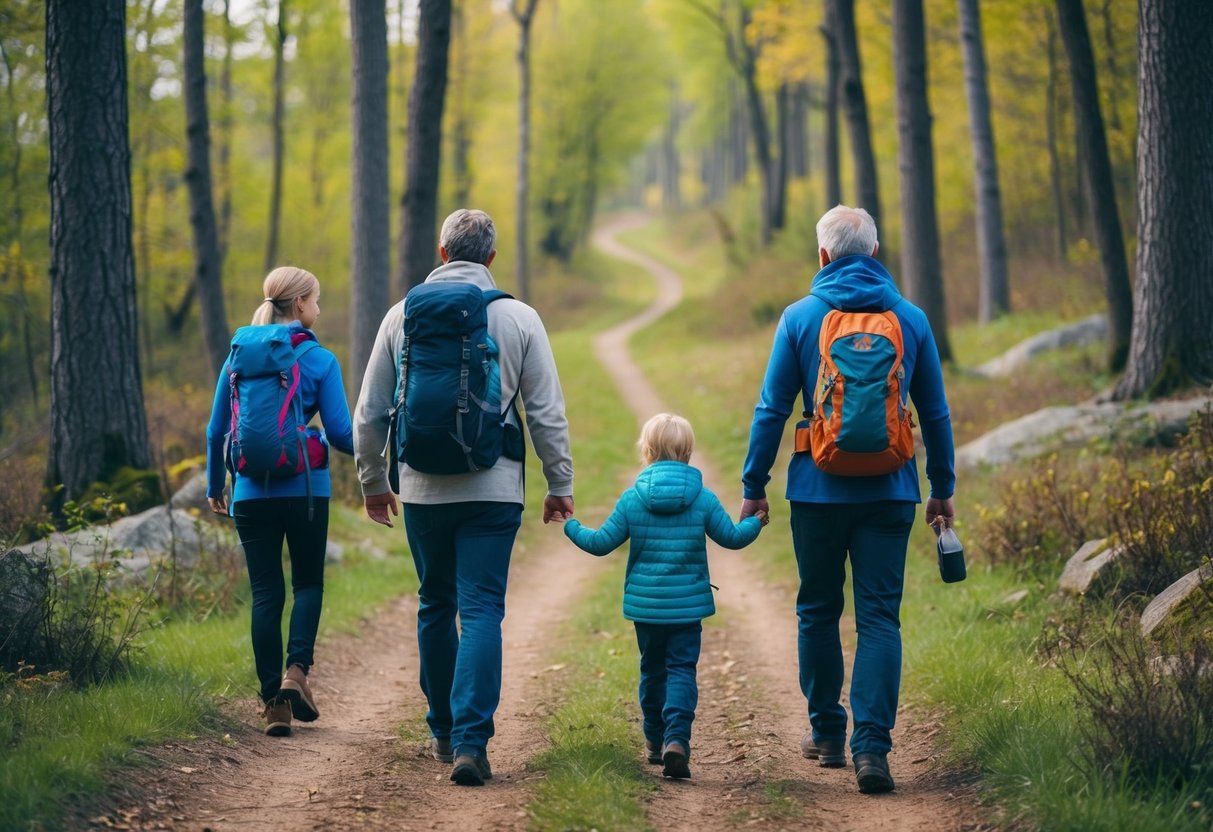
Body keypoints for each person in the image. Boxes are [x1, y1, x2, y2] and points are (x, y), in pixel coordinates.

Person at [353, 208, 574, 787]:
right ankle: (473, 742)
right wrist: (560, 484)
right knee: (480, 609)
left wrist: (373, 484)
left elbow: (370, 412)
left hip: (421, 487)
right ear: (492, 259)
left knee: (435, 603)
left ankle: (443, 731)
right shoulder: (519, 316)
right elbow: (545, 412)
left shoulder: (401, 315)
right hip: (494, 487)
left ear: (443, 252)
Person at [740, 206, 955, 795]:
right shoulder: (909, 318)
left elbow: (772, 408)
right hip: (891, 491)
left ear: (823, 257)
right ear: (877, 253)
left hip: (816, 490)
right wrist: (942, 488)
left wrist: (753, 484)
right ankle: (873, 750)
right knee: (880, 617)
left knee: (817, 610)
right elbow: (934, 413)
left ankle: (829, 733)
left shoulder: (800, 318)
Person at [562, 413, 767, 780]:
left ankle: (655, 741)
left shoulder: (632, 500)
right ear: (688, 451)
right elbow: (733, 538)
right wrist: (757, 521)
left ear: (647, 450)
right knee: (682, 670)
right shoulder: (702, 499)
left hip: (647, 610)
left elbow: (600, 543)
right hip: (687, 610)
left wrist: (570, 525)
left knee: (652, 670)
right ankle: (677, 739)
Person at [206, 266, 354, 737]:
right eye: (316, 301)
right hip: (306, 491)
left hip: (249, 493)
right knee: (307, 584)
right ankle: (297, 673)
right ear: (299, 305)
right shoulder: (319, 359)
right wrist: (386, 441)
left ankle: (274, 704)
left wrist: (215, 487)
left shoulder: (238, 357)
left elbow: (216, 432)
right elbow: (342, 434)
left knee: (266, 594)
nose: (319, 308)